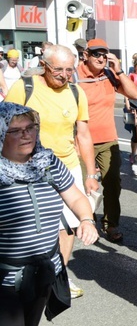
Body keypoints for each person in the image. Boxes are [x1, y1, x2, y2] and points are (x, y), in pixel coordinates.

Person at [0, 102, 98, 326]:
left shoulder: (46, 161)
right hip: (5, 279)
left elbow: (74, 195)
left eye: (30, 128)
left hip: (44, 270)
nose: (26, 135)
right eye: (15, 130)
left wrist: (86, 219)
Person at [4, 45, 100, 299]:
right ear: (44, 66)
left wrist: (90, 174)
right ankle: (22, 273)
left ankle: (58, 276)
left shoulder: (76, 92)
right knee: (33, 221)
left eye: (69, 70)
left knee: (69, 223)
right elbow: (5, 124)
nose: (64, 75)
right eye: (58, 69)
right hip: (26, 167)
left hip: (65, 164)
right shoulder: (25, 87)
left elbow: (83, 134)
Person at [76, 38, 137, 243]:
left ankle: (111, 224)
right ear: (85, 55)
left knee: (113, 183)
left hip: (107, 140)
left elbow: (134, 94)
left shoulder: (110, 75)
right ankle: (86, 220)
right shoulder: (74, 75)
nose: (101, 58)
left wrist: (119, 71)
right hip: (80, 140)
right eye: (96, 53)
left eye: (104, 54)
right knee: (85, 184)